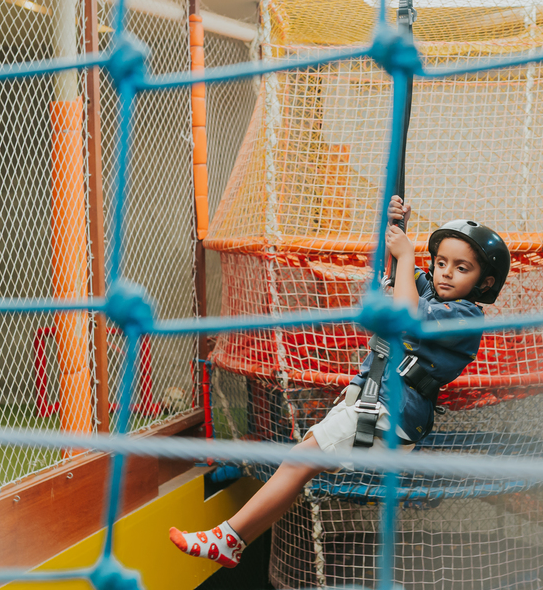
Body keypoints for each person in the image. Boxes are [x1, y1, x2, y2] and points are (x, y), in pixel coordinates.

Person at [169, 195, 511, 568]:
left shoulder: (466, 318)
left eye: (461, 268)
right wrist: (398, 228)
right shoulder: (427, 287)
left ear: (484, 281)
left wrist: (408, 254)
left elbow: (408, 312)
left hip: (390, 412)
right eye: (441, 262)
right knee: (298, 467)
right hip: (372, 399)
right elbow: (395, 275)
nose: (445, 273)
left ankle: (227, 537)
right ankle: (236, 541)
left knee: (300, 461)